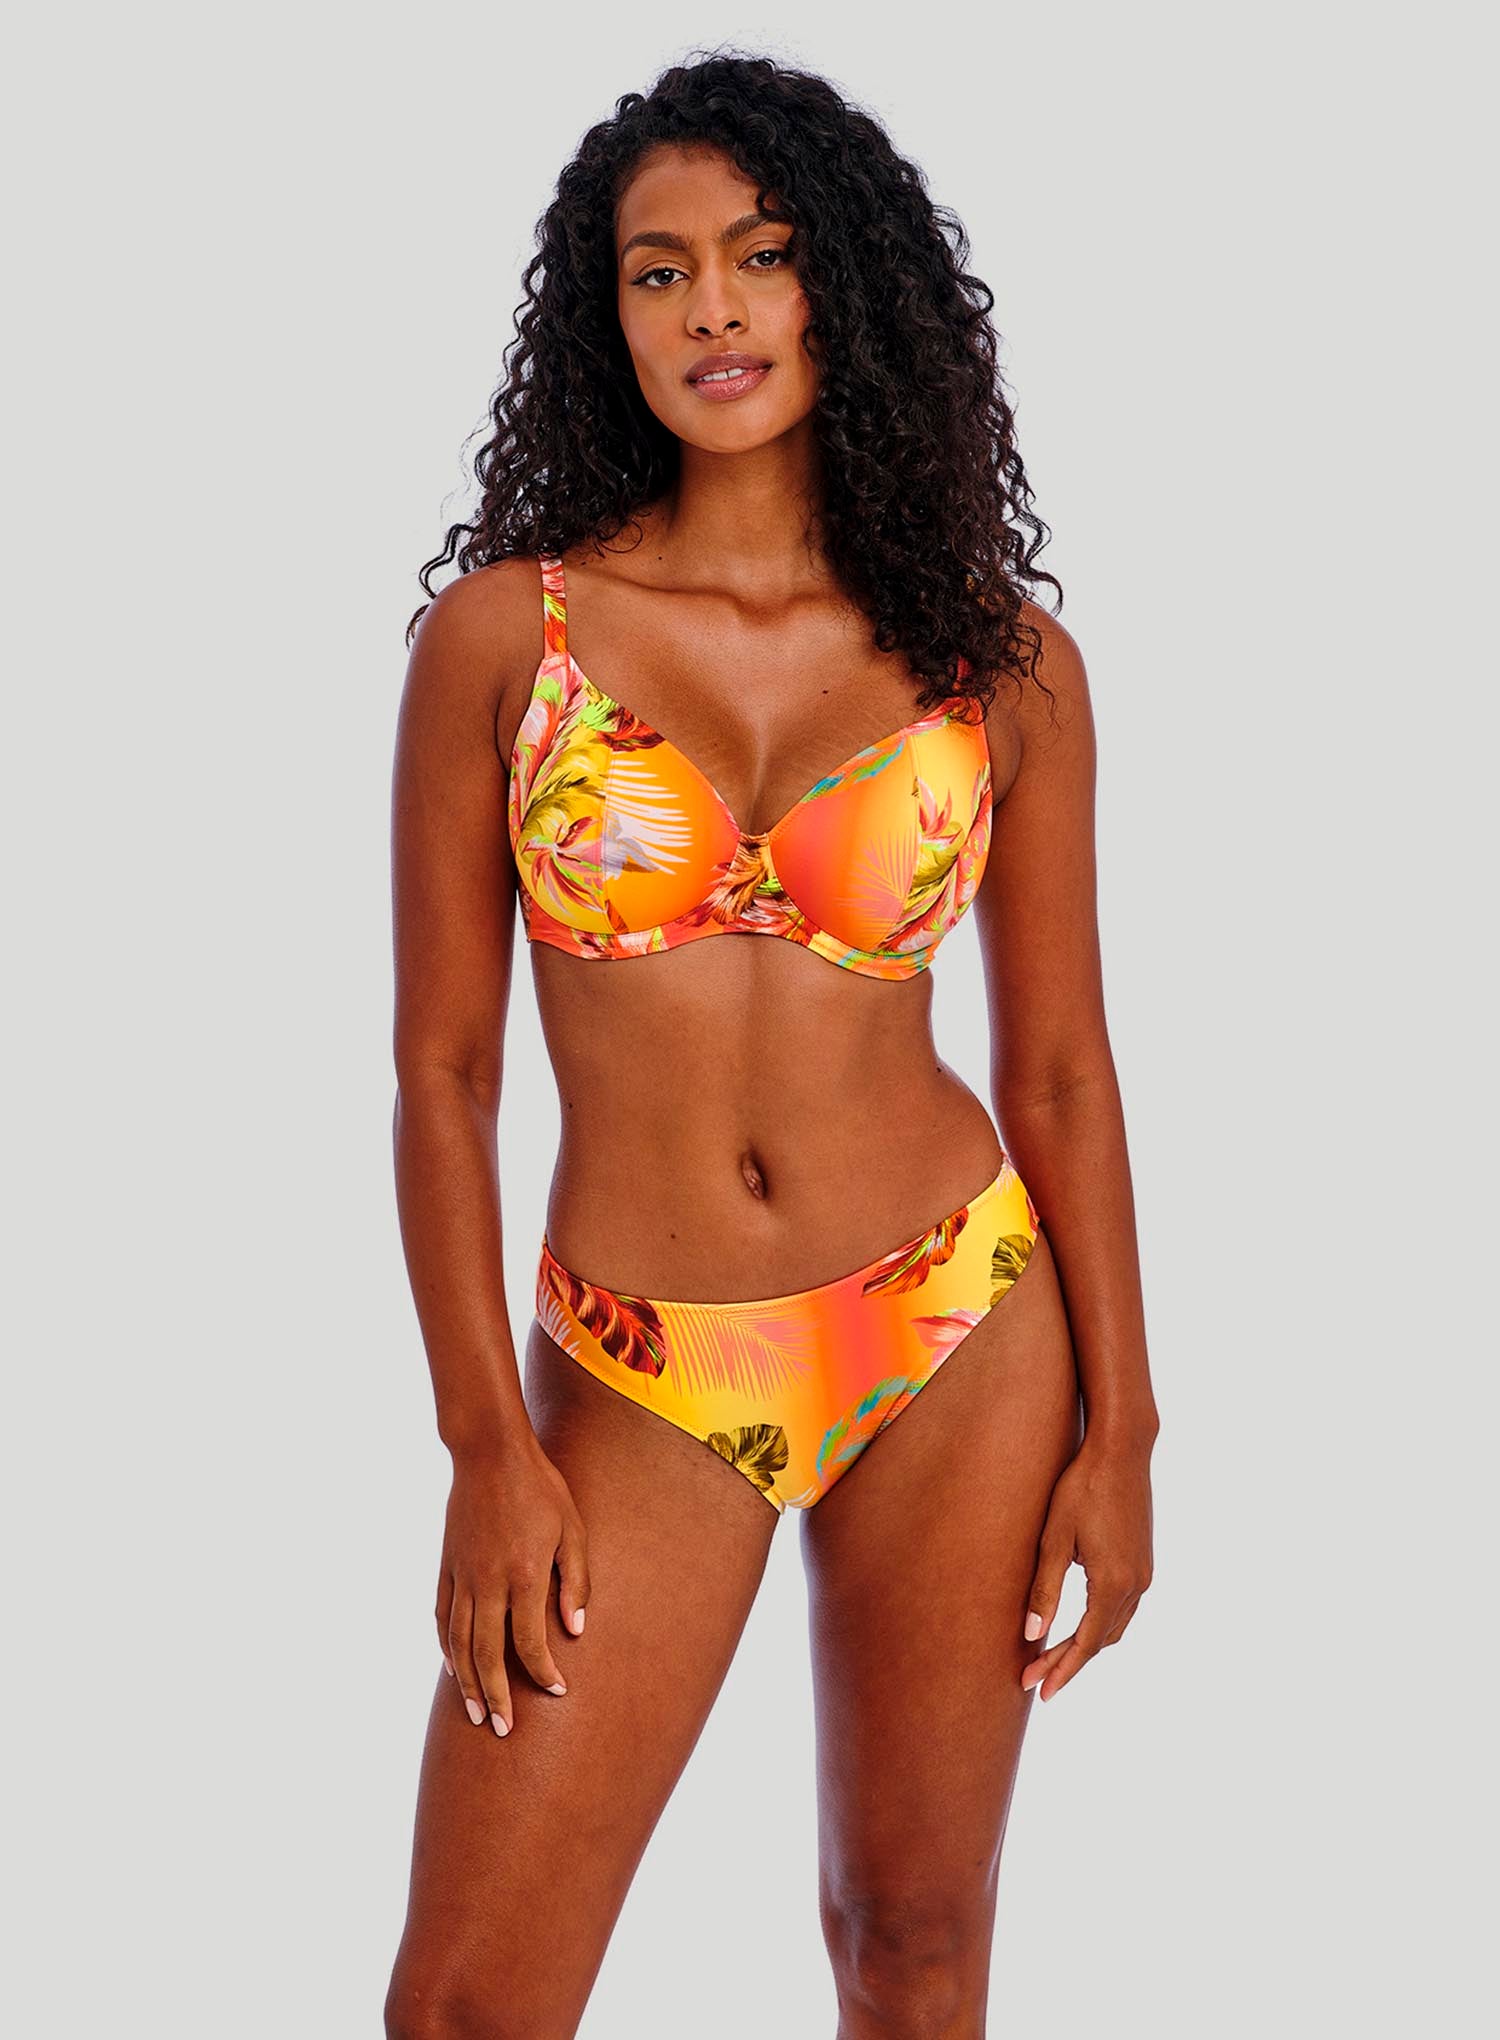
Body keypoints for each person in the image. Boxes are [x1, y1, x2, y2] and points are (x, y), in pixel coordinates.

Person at [384, 51, 1158, 2040]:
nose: (712, 309)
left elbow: (1063, 1072)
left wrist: (1128, 1434)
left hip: (958, 1325)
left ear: (850, 290)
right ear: (608, 318)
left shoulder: (1003, 667)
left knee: (913, 1951)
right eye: (658, 272)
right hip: (644, 1363)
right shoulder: (508, 641)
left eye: (762, 255)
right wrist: (484, 1445)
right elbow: (443, 1076)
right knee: (469, 2006)